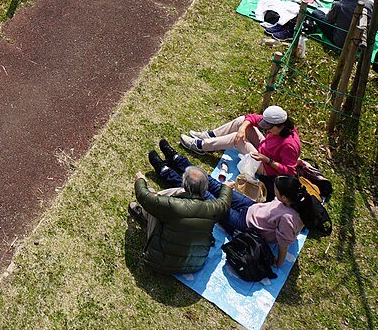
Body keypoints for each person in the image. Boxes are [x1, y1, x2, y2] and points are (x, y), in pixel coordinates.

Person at [151, 153, 316, 268]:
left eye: (277, 191)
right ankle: (178, 160)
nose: (274, 191)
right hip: (250, 207)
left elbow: (284, 243)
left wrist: (278, 263)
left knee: (204, 194)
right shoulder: (295, 200)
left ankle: (165, 171)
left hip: (243, 223)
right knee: (214, 184)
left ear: (286, 198)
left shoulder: (289, 219)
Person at [128, 163, 233, 274]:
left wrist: (140, 180)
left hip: (158, 262)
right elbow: (224, 203)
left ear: (184, 183)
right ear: (205, 188)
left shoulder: (171, 205)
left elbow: (143, 196)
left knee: (154, 208)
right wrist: (226, 187)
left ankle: (144, 217)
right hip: (195, 266)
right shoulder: (214, 208)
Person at [180, 105, 301, 180]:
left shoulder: (289, 145)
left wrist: (267, 160)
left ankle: (200, 146)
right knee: (241, 121)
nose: (266, 129)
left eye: (269, 127)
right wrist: (242, 129)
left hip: (265, 166)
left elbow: (290, 171)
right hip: (264, 148)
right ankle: (208, 136)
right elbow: (251, 117)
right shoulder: (279, 126)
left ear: (280, 126)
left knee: (236, 139)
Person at [301, 0, 372, 46]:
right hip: (359, 39)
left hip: (341, 41)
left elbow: (329, 20)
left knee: (316, 13)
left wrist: (335, 3)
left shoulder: (340, 5)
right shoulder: (368, 4)